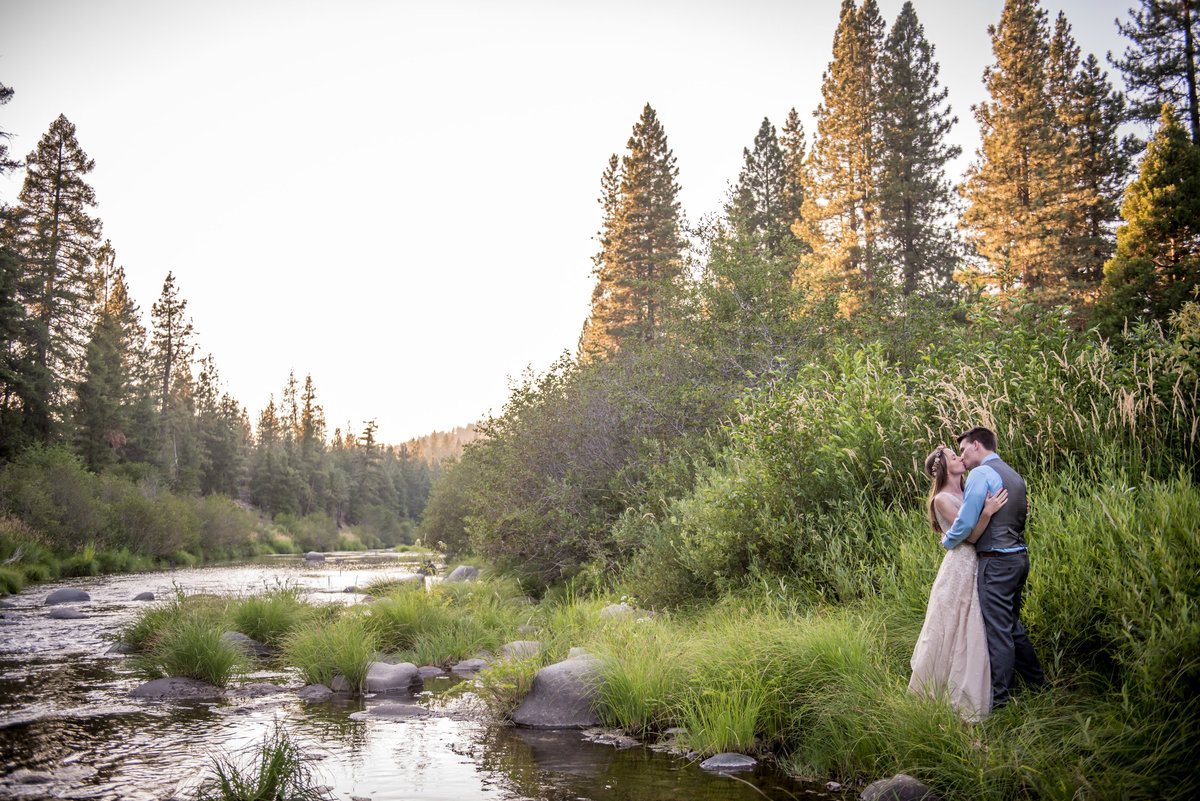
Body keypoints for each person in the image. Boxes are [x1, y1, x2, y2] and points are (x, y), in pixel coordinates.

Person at [941, 426, 1046, 709]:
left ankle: (1002, 699)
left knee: (998, 631)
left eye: (963, 449)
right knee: (1012, 626)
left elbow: (964, 522)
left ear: (977, 445)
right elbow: (1021, 516)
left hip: (997, 562)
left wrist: (947, 541)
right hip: (1019, 558)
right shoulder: (1013, 474)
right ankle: (1038, 683)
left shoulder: (980, 475)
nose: (962, 456)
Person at [908, 444, 1007, 720]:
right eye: (954, 456)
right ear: (941, 468)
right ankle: (940, 693)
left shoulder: (967, 491)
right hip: (960, 566)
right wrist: (987, 512)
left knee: (972, 627)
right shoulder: (941, 499)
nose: (960, 458)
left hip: (979, 563)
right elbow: (970, 536)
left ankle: (975, 688)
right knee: (951, 626)